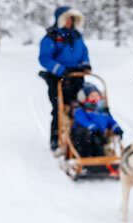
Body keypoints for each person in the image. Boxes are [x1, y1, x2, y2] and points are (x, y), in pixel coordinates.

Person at [38, 6, 91, 151]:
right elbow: (44, 59)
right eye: (67, 19)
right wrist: (61, 70)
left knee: (79, 107)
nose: (69, 22)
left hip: (77, 78)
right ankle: (55, 139)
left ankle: (78, 139)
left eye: (71, 19)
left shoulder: (77, 36)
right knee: (59, 109)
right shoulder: (52, 37)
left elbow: (84, 53)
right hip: (57, 79)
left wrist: (86, 65)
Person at [71, 83, 123, 157]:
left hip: (99, 136)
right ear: (86, 98)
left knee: (99, 143)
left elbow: (111, 122)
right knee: (88, 136)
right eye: (92, 96)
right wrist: (94, 128)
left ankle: (100, 159)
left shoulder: (103, 111)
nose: (95, 97)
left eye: (96, 95)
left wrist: (117, 129)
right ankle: (85, 158)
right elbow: (83, 121)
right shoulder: (82, 110)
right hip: (83, 137)